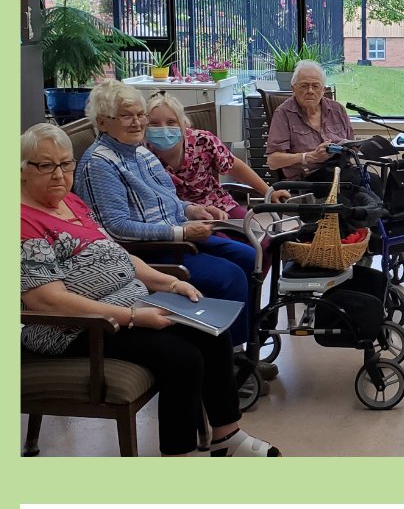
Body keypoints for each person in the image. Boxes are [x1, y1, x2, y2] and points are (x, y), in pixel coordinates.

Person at [20, 124, 280, 457]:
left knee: (212, 335)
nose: (59, 174)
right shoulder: (21, 220)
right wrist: (133, 316)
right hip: (76, 327)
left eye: (66, 164)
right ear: (22, 169)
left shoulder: (70, 202)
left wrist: (168, 282)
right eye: (45, 165)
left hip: (129, 303)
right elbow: (47, 301)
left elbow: (121, 255)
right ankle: (177, 455)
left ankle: (227, 437)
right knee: (181, 358)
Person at [73, 79, 257, 354]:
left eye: (139, 115)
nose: (137, 123)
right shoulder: (101, 164)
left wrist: (191, 210)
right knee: (229, 277)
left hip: (176, 237)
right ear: (102, 122)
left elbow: (167, 199)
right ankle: (228, 358)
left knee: (250, 255)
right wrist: (183, 232)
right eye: (126, 116)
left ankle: (242, 349)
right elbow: (117, 228)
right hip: (150, 251)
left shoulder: (140, 153)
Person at [145, 91, 290, 219]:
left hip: (218, 201)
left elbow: (234, 166)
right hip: (181, 214)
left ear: (183, 124)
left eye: (171, 122)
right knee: (233, 246)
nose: (163, 129)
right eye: (154, 124)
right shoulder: (142, 154)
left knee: (259, 239)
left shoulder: (202, 141)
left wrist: (268, 192)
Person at [266, 59, 355, 182]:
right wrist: (309, 157)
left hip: (341, 171)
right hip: (308, 178)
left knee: (375, 179)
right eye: (304, 86)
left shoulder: (337, 110)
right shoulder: (283, 113)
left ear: (323, 90)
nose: (310, 91)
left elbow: (352, 146)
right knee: (358, 186)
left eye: (315, 86)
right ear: (293, 88)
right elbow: (273, 161)